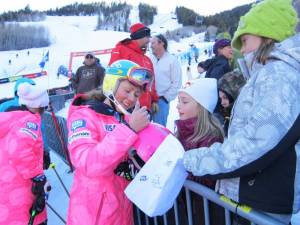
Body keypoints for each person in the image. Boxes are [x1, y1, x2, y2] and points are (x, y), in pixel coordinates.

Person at [183, 0, 300, 223]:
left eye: (245, 41)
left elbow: (256, 143)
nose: (242, 50)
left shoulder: (280, 74)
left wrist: (192, 161)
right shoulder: (269, 73)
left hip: (263, 198)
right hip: (255, 194)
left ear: (268, 35)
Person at [66, 60, 152, 225]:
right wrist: (129, 130)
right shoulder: (85, 115)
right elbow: (86, 162)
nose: (131, 98)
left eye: (136, 94)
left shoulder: (124, 117)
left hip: (121, 209)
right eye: (127, 90)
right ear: (111, 84)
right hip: (94, 214)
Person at [175, 78, 225, 225]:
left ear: (201, 106)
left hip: (204, 213)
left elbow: (208, 180)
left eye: (184, 102)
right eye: (178, 101)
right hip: (186, 209)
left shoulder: (211, 138)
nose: (178, 106)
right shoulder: (181, 132)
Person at [0, 82, 49, 225]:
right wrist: (37, 176)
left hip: (7, 183)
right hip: (21, 186)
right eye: (44, 107)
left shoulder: (11, 118)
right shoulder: (28, 121)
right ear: (38, 106)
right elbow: (19, 151)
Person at [109, 23, 159, 115]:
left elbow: (151, 83)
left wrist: (154, 99)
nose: (149, 41)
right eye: (147, 37)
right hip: (128, 105)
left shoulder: (147, 59)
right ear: (139, 36)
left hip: (145, 107)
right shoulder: (122, 50)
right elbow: (113, 76)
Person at [150, 34, 182, 126]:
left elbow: (176, 83)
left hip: (161, 101)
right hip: (147, 99)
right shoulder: (149, 58)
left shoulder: (172, 60)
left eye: (153, 43)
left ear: (162, 43)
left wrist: (165, 99)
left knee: (159, 129)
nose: (151, 46)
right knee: (143, 129)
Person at [218, 70, 246, 136]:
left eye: (225, 97)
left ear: (235, 94)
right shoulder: (229, 114)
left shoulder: (242, 118)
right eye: (220, 98)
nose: (222, 103)